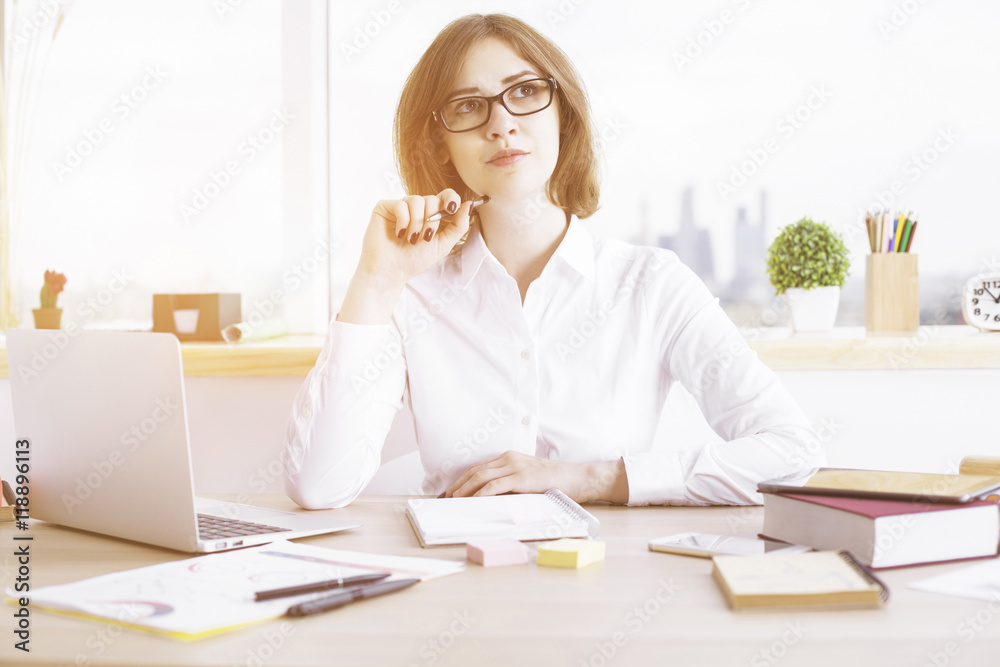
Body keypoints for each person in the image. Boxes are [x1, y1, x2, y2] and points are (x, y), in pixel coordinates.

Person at [283, 13, 823, 510]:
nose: (501, 124)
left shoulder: (652, 284)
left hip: (606, 568)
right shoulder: (411, 294)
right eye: (467, 105)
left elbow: (792, 453)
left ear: (562, 114)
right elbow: (318, 487)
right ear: (439, 143)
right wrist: (377, 281)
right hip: (455, 569)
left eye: (524, 91)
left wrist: (592, 478)